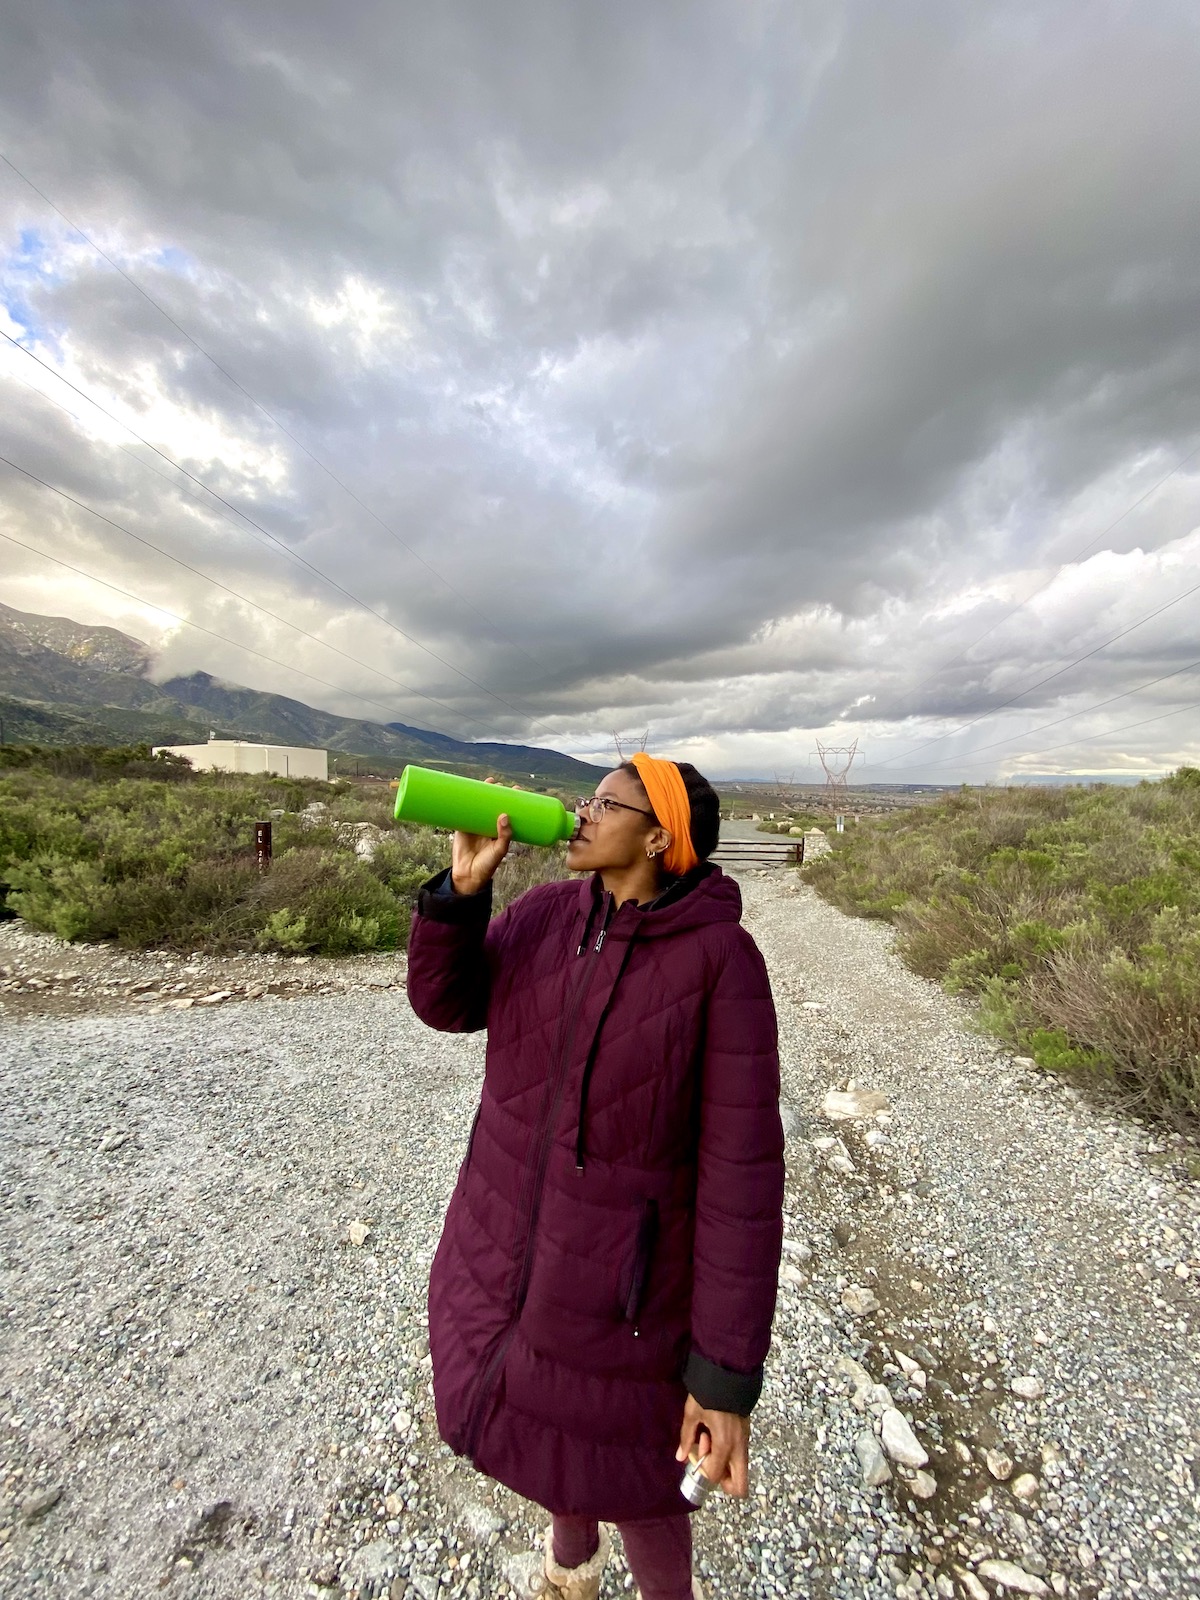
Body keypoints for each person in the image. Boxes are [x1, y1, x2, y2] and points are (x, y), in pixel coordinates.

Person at [406, 754, 785, 1600]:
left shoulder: (723, 962)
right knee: (545, 1422)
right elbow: (449, 1006)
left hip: (629, 1289)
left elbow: (744, 1181)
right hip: (503, 1242)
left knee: (638, 1476)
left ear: (657, 836)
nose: (580, 815)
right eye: (586, 799)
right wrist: (459, 898)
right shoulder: (545, 911)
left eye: (604, 804)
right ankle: (569, 1567)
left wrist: (722, 1379)